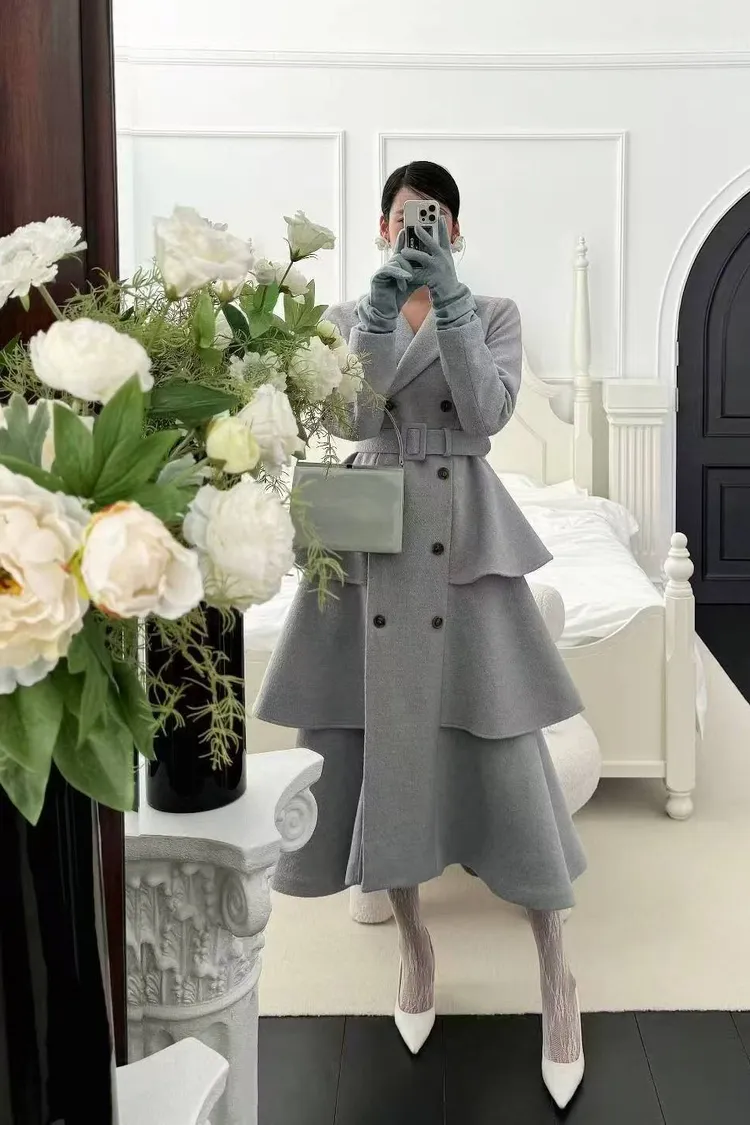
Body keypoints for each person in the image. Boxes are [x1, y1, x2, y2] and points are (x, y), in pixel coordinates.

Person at [255, 161, 586, 1108]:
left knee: (505, 749)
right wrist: (376, 312)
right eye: (404, 218)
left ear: (457, 229)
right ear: (381, 227)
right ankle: (415, 948)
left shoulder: (496, 313)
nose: (418, 230)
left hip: (464, 538)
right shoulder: (347, 315)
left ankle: (557, 971)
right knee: (382, 746)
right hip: (372, 537)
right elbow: (353, 416)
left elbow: (485, 415)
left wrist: (450, 302)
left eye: (433, 218)